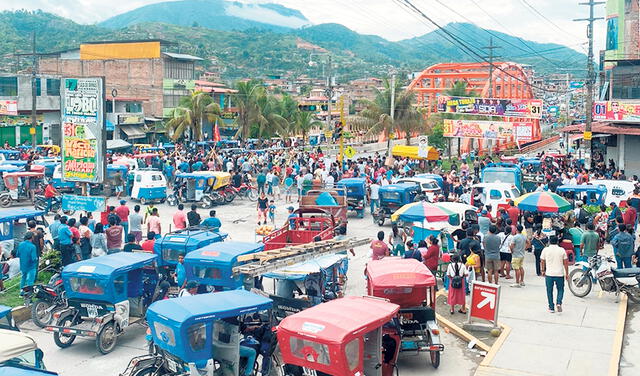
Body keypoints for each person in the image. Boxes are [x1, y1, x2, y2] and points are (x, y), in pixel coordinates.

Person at [540, 235, 569, 313]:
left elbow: (542, 261)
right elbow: (566, 263)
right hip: (559, 274)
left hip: (549, 274)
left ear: (549, 241)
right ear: (557, 241)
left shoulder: (545, 250)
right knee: (560, 289)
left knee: (549, 291)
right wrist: (567, 273)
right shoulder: (562, 250)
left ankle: (551, 307)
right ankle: (559, 302)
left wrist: (542, 270)